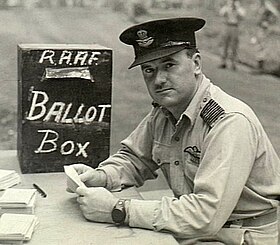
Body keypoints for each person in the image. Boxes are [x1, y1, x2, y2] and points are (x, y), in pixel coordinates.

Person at [68, 17, 280, 244]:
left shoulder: (228, 121)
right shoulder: (165, 113)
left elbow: (206, 215)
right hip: (198, 231)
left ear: (196, 64)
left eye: (169, 65)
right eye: (149, 70)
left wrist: (118, 209)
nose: (158, 79)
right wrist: (101, 176)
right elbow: (134, 159)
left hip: (243, 237)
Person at [218, 0, 245, 70]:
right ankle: (223, 62)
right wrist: (228, 7)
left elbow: (243, 15)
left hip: (235, 26)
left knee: (234, 45)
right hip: (227, 25)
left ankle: (233, 63)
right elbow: (221, 13)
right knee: (225, 44)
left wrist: (237, 8)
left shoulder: (238, 6)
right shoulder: (228, 5)